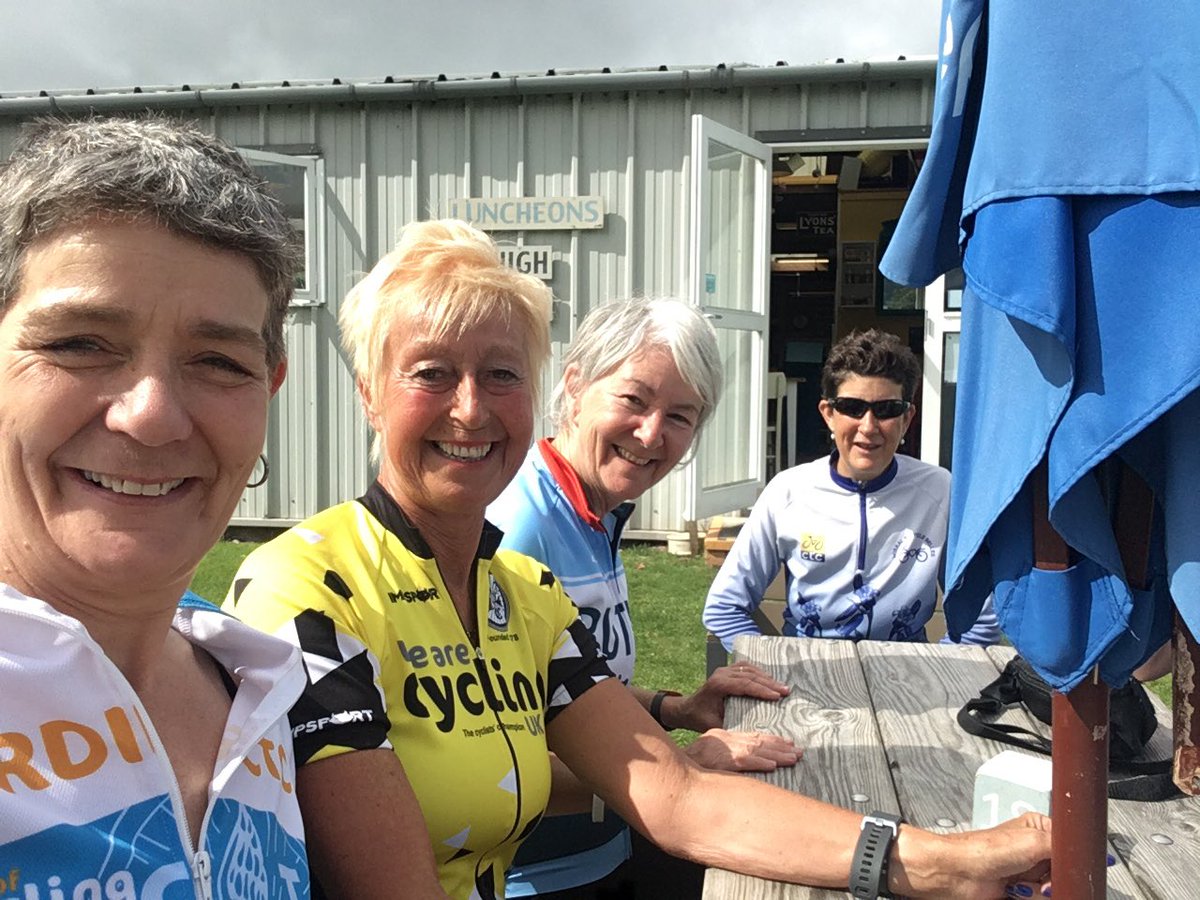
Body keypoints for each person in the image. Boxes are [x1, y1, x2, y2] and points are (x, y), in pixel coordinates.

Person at [226, 219, 1051, 900]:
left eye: (502, 373)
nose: (471, 409)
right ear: (369, 392)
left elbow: (679, 796)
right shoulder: (306, 584)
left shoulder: (525, 592)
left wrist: (942, 861)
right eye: (432, 373)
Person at [0, 117, 311, 897]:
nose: (152, 414)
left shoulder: (259, 684)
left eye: (218, 361)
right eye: (79, 343)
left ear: (269, 390)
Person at [487, 297, 798, 897]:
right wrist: (681, 766)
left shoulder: (593, 513)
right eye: (633, 399)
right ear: (575, 385)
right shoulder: (519, 530)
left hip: (608, 844)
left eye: (681, 416)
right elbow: (496, 759)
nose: (653, 433)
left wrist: (675, 710)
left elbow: (564, 688)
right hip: (534, 875)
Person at [704, 329, 1000, 650]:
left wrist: (929, 675)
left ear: (907, 418)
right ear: (828, 414)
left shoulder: (940, 491)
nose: (869, 426)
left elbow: (981, 620)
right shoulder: (787, 492)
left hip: (908, 674)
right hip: (807, 670)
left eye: (886, 409)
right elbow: (724, 606)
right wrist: (775, 670)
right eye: (852, 407)